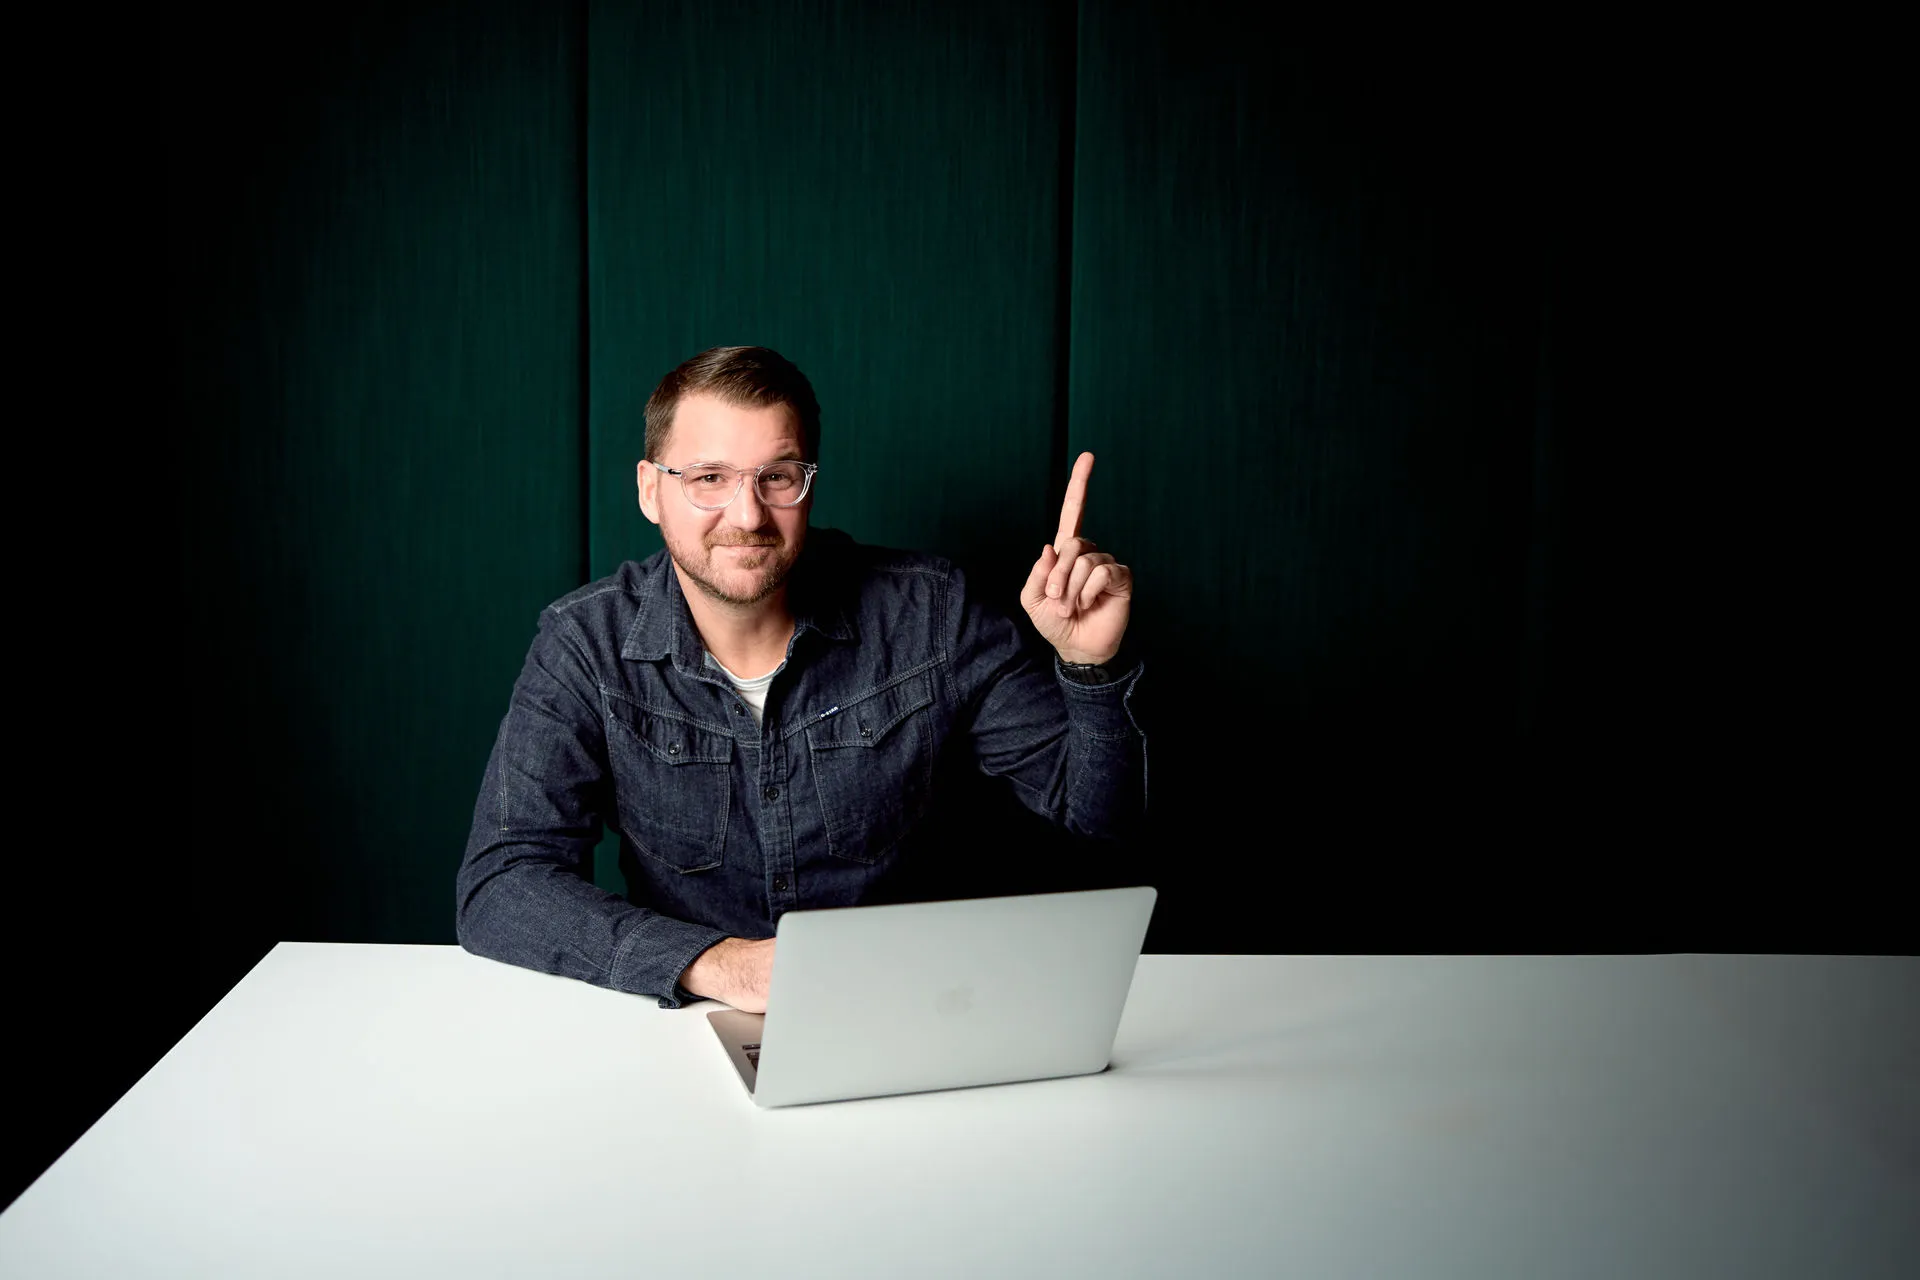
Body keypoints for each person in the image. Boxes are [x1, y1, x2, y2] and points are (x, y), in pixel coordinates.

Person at [455, 346, 1145, 1012]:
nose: (748, 515)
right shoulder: (585, 644)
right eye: (708, 479)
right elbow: (502, 884)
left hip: (912, 1013)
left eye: (777, 477)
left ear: (808, 483)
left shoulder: (933, 613)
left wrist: (1088, 667)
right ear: (649, 491)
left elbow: (1101, 819)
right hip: (690, 1022)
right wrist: (722, 965)